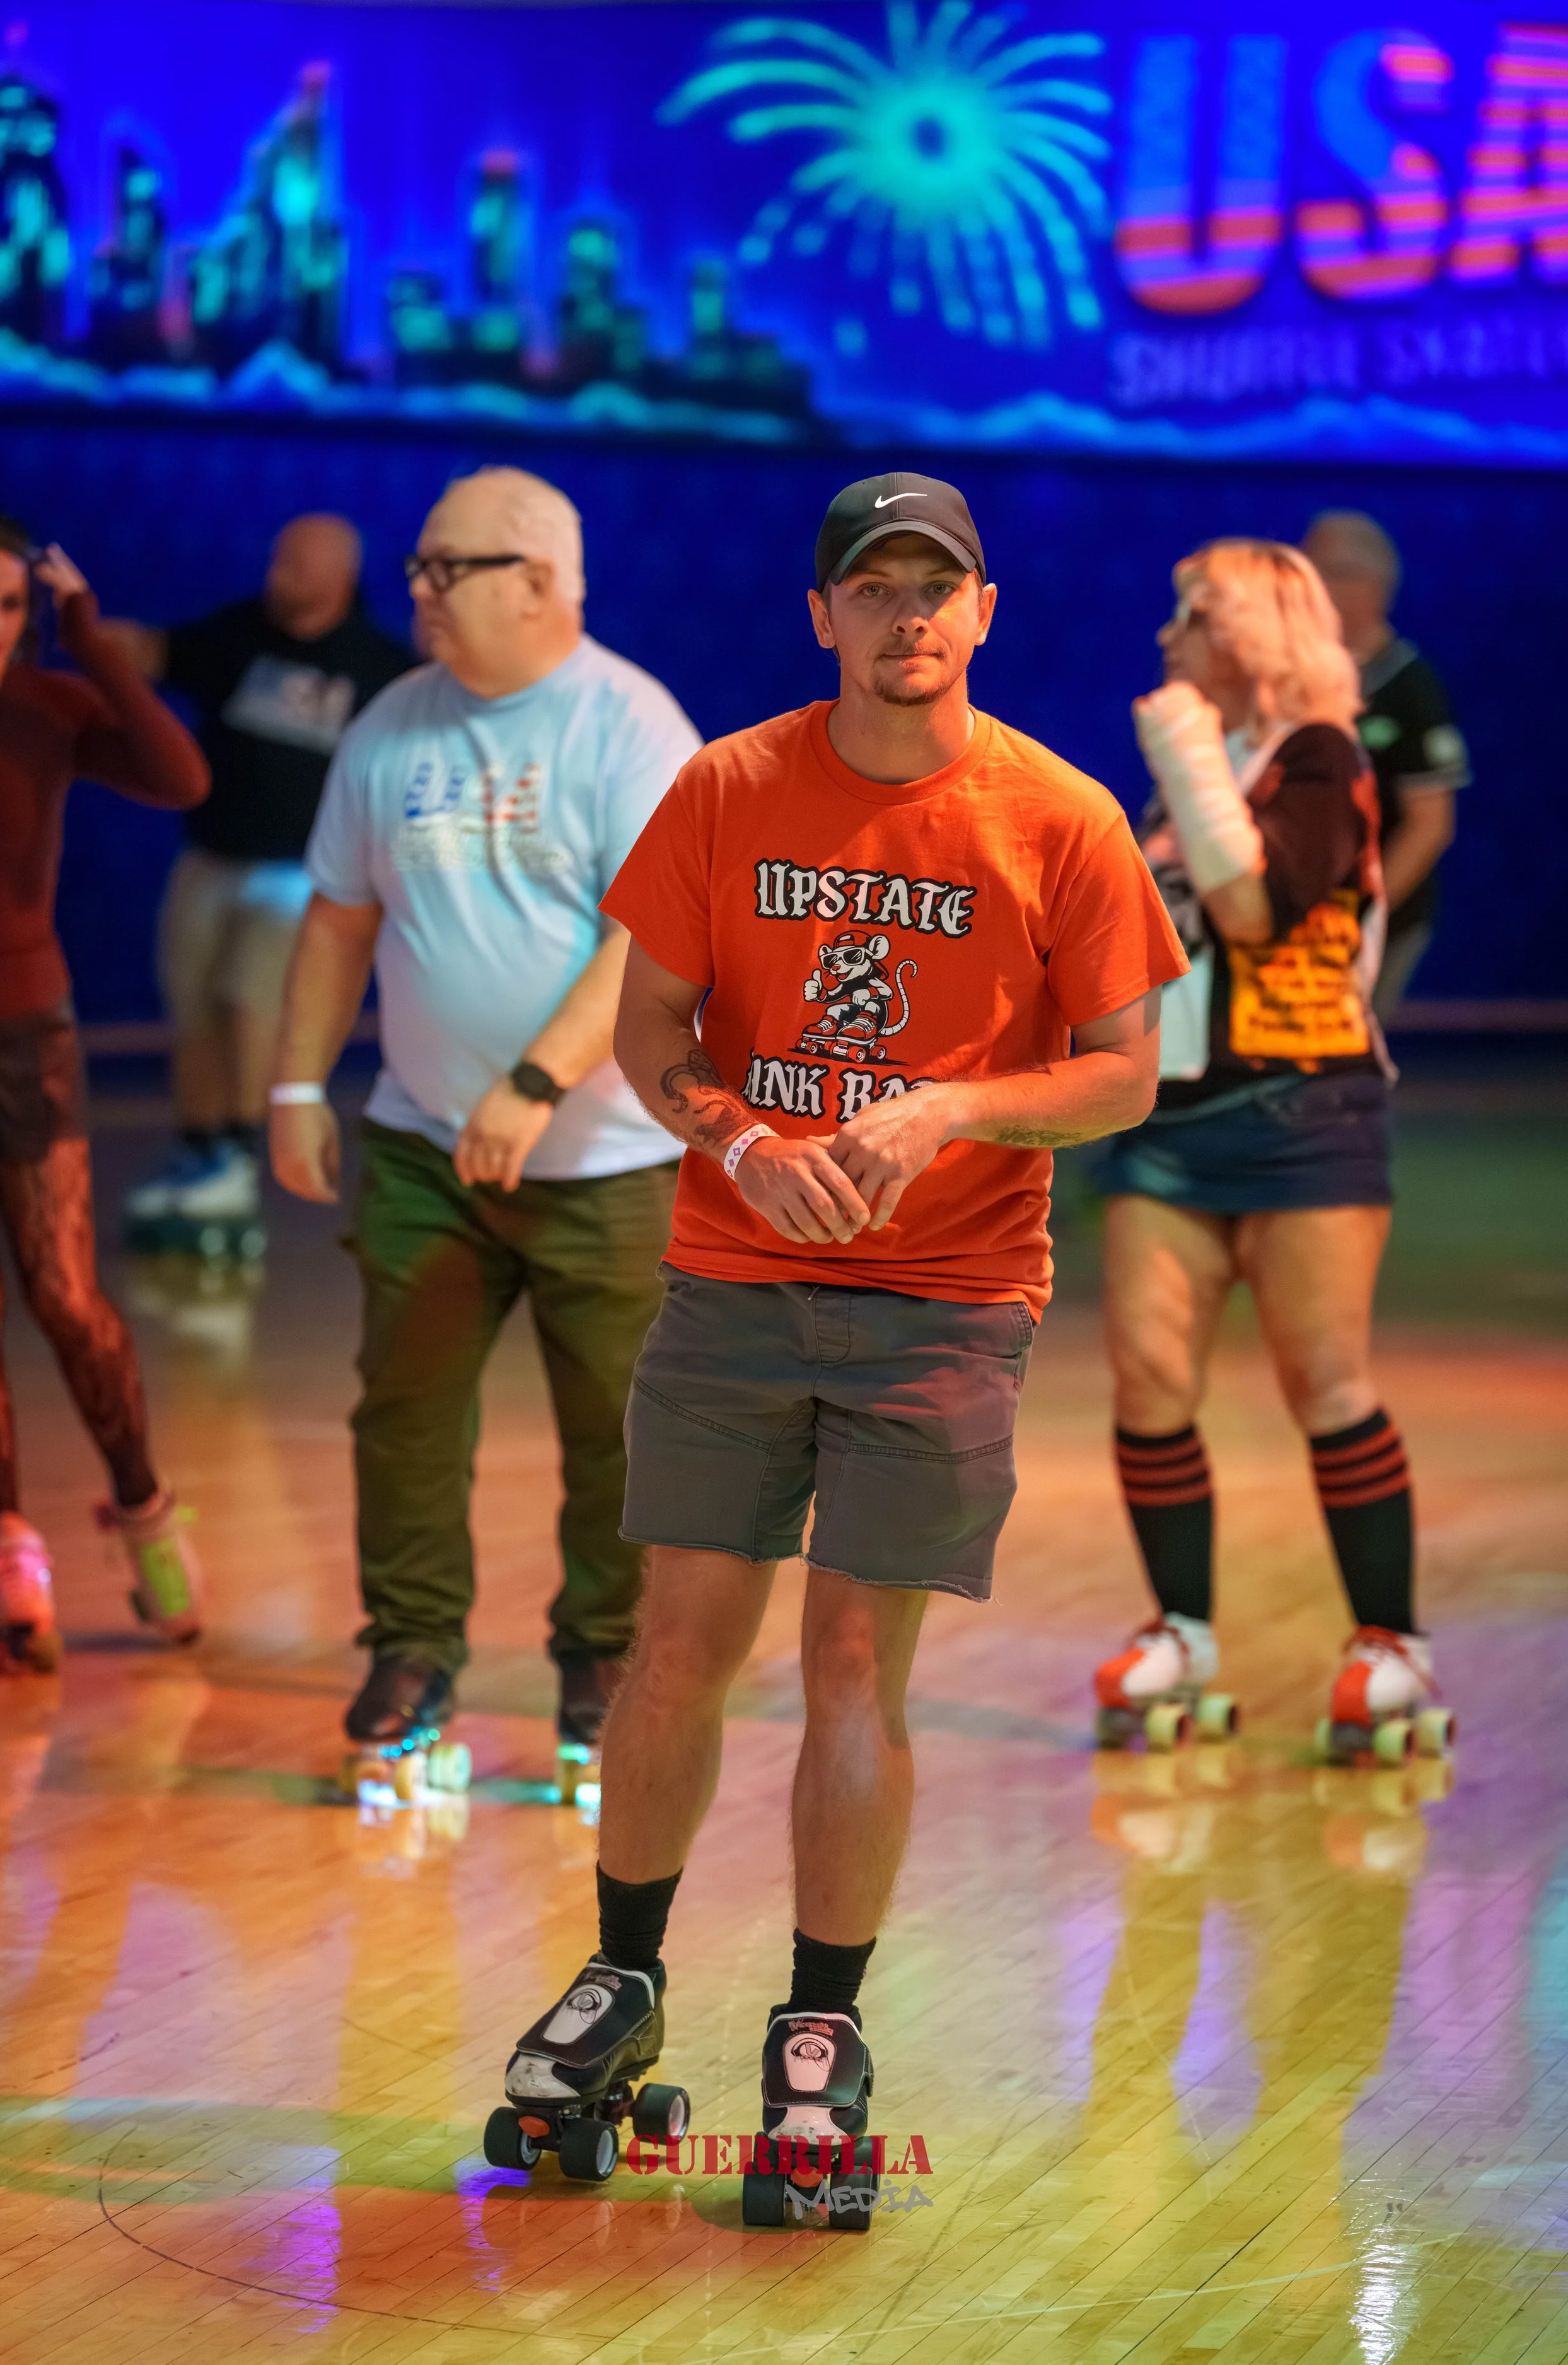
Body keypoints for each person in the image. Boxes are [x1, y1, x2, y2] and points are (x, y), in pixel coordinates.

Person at [493, 474, 1184, 2206]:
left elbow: (1122, 1066)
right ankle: (625, 1970)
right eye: (871, 589)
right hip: (733, 1276)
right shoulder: (727, 787)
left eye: (933, 590)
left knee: (852, 1668)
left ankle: (818, 2029)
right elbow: (652, 1028)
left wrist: (946, 1107)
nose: (906, 618)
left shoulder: (1060, 814)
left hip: (946, 1304)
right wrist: (736, 1135)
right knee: (676, 1644)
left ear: (982, 610)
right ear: (821, 616)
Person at [267, 467, 699, 1770]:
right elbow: (339, 918)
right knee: (403, 1408)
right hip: (420, 1143)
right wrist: (295, 1086)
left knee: (619, 1429)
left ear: (541, 581)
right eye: (419, 567)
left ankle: (600, 1654)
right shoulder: (389, 727)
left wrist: (533, 1085)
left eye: (446, 568)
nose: (418, 590)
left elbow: (651, 942)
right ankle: (411, 1648)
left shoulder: (630, 726)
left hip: (610, 1156)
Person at [1089, 539, 1446, 1765]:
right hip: (1170, 1120)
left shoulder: (1320, 757)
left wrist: (1182, 752)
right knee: (1146, 1380)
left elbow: (1252, 909)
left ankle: (1388, 1644)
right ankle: (1179, 1632)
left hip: (1303, 1115)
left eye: (1189, 616)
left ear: (1252, 634)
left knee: (1323, 1384)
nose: (1164, 640)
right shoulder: (1195, 776)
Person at [0, 514, 211, 1667]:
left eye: (8, 609)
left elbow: (181, 777)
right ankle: (7, 1546)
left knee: (67, 1299)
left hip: (25, 1031)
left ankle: (143, 1511)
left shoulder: (46, 705)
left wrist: (86, 633)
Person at [114, 516, 414, 1246]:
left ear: (341, 577)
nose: (281, 576)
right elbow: (156, 653)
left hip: (300, 878)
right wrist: (87, 635)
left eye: (299, 565)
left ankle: (240, 1157)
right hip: (211, 859)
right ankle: (200, 1151)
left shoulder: (380, 667)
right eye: (279, 559)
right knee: (195, 1011)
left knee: (252, 1005)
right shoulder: (237, 633)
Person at [1301, 511, 1470, 1020]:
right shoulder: (1293, 676)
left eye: (1324, 572)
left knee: (1340, 1065)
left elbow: (1430, 825)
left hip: (1377, 919)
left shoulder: (1410, 687)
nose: (1310, 588)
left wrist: (1360, 917)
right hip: (1293, 915)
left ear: (1371, 584)